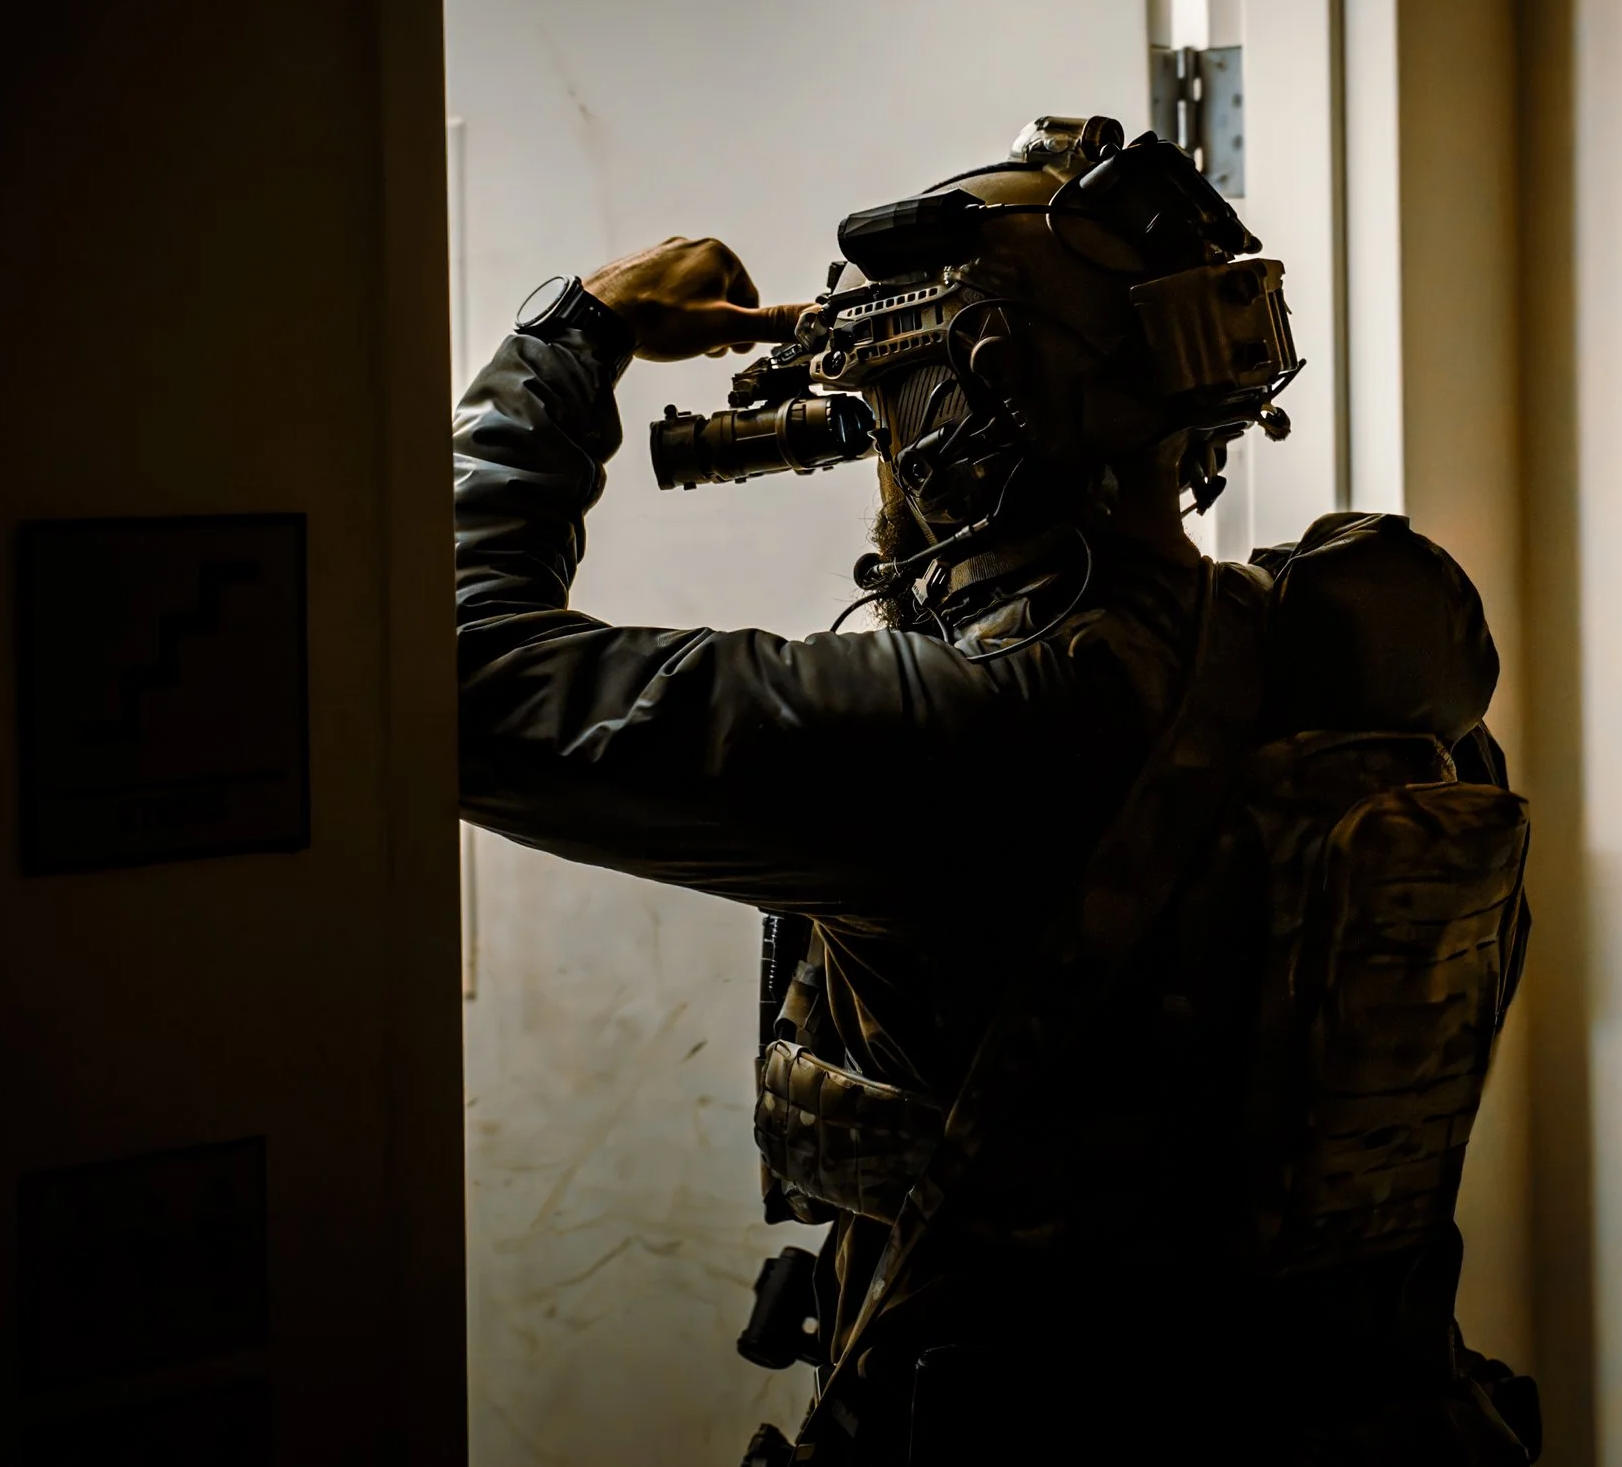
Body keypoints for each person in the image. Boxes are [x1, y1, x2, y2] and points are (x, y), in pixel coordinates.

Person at [456, 118, 1540, 1465]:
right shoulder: (1361, 687)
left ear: (968, 404)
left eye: (889, 400)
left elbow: (456, 680)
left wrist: (574, 335)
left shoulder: (979, 736)